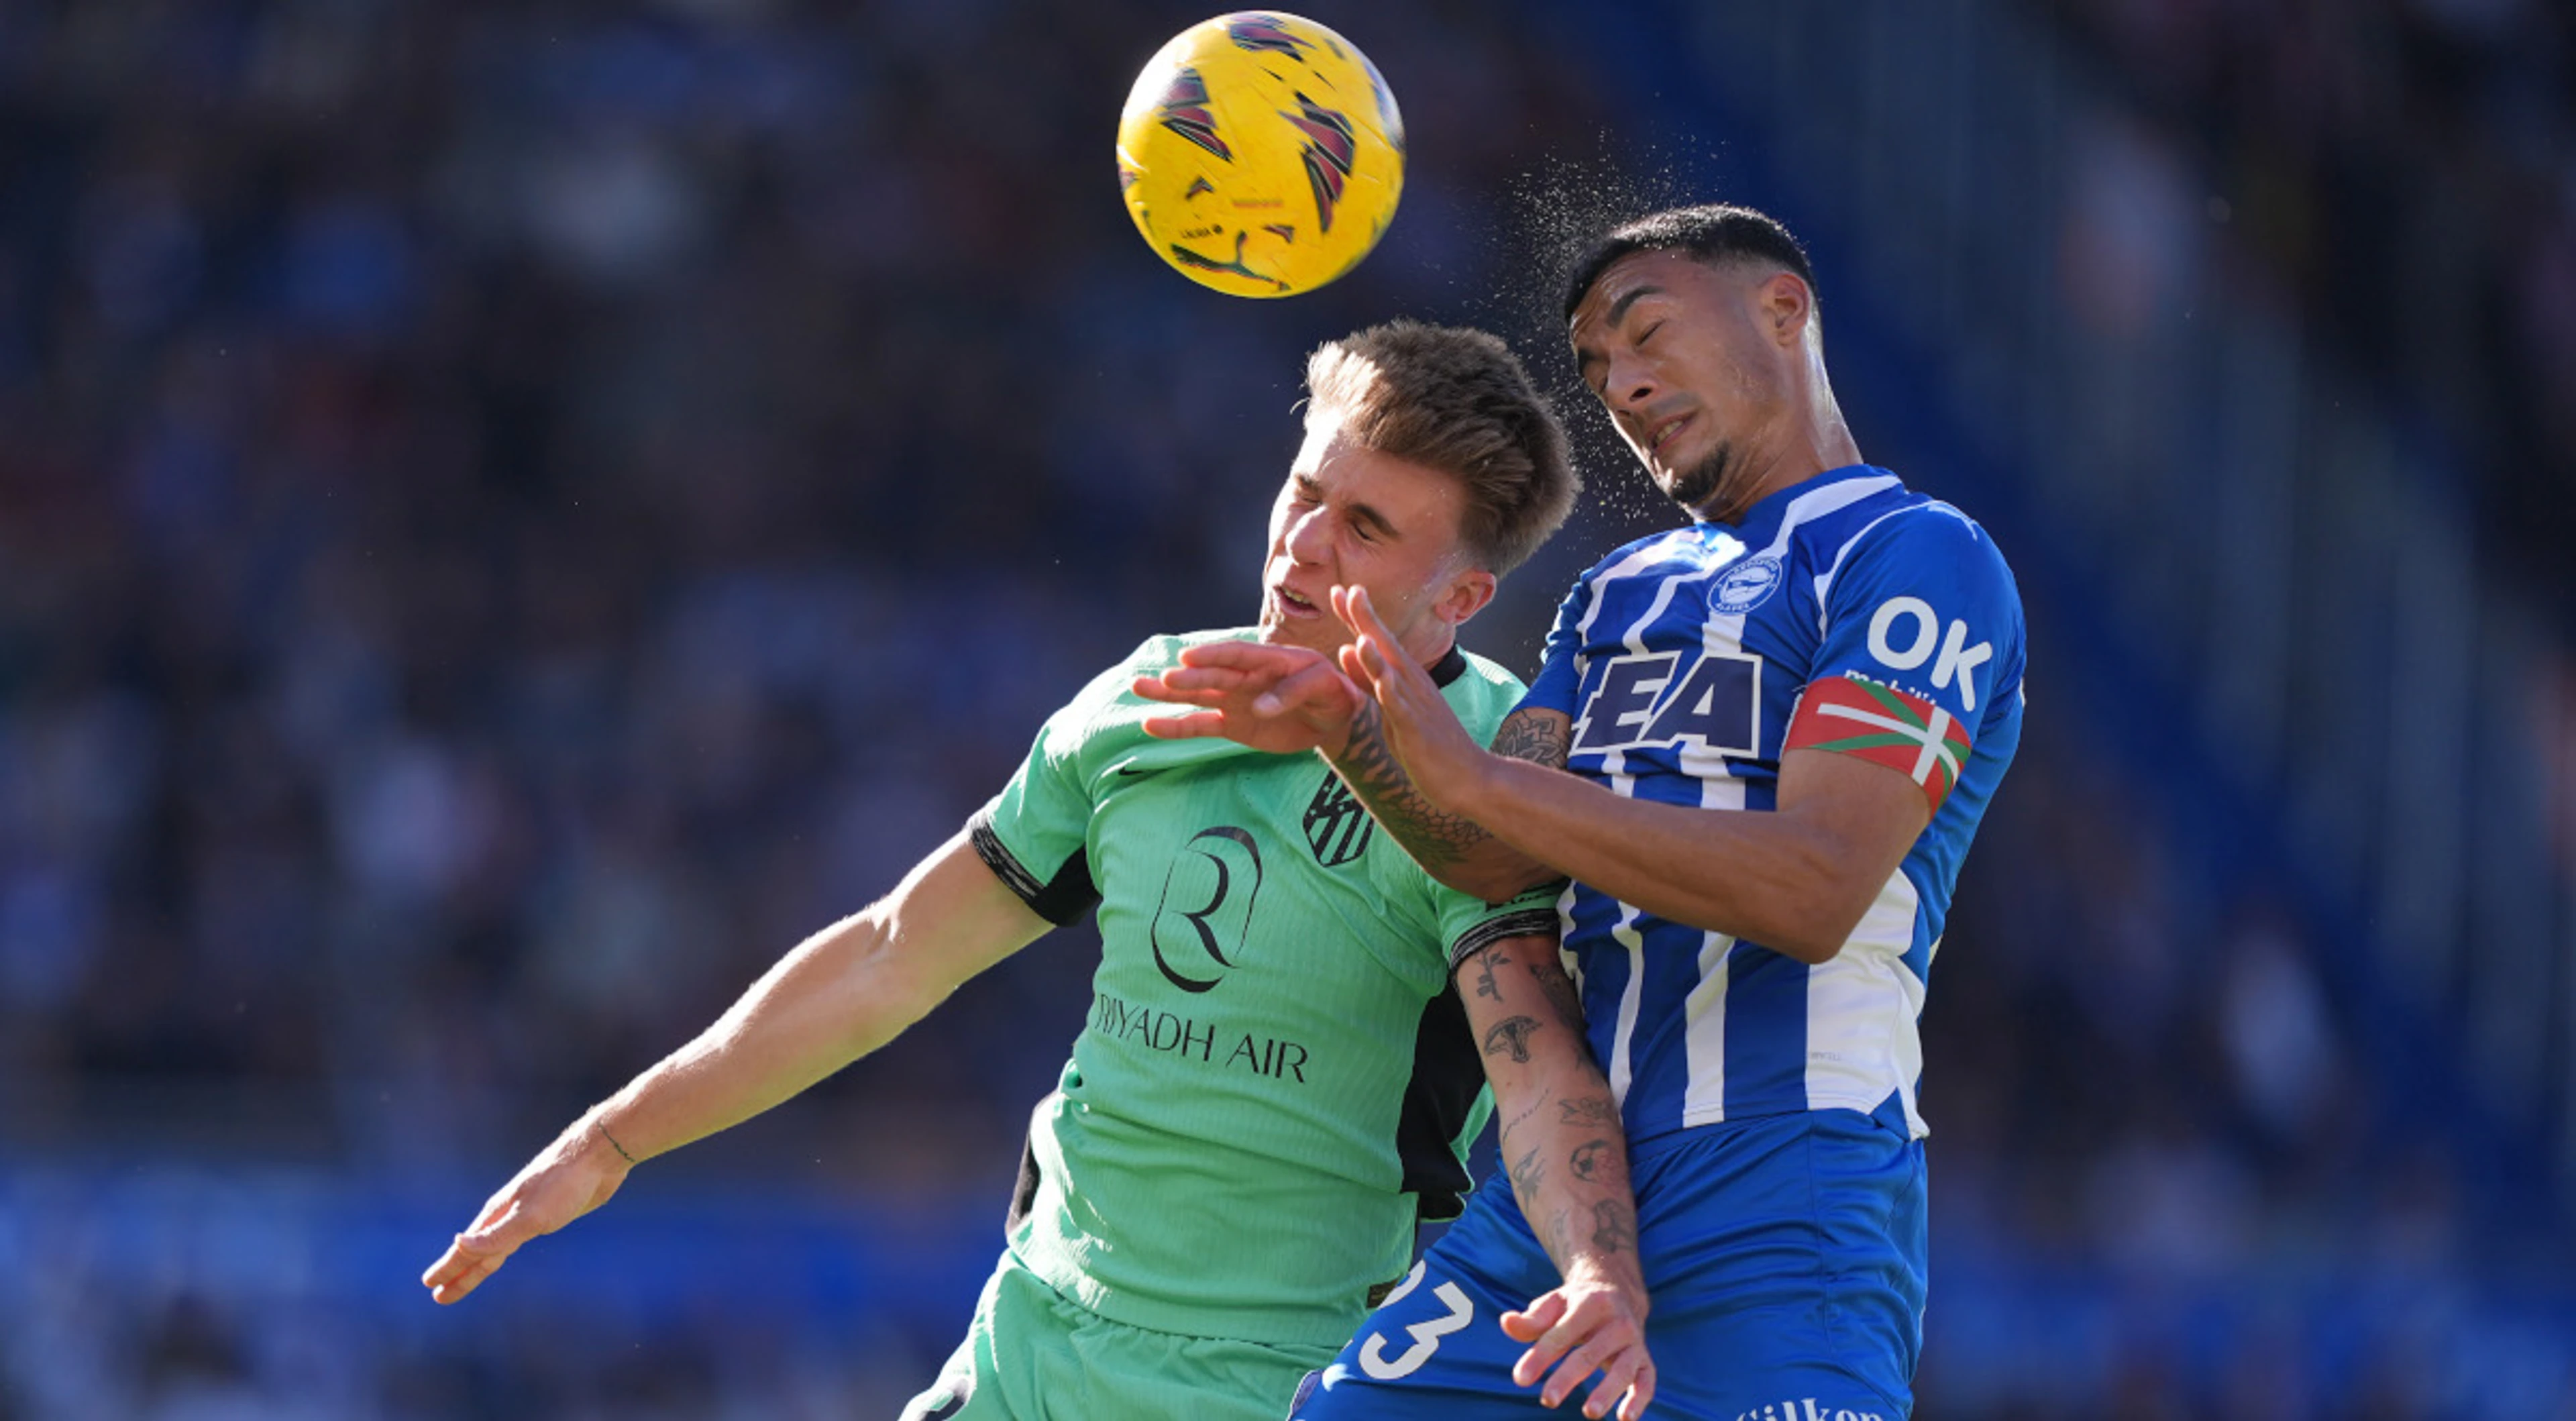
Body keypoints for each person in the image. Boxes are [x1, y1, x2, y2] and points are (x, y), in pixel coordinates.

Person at [419, 321, 1660, 1421]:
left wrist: (1599, 1271)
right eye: (1304, 491)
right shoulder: (1148, 698)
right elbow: (894, 953)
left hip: (1284, 1375)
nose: (1302, 544)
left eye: (1368, 527)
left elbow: (1541, 1061)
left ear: (1463, 594)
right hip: (1034, 1337)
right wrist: (617, 1136)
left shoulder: (1493, 781)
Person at [1136, 205, 2026, 1420]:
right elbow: (1496, 855)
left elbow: (1816, 888)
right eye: (1598, 368)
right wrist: (1342, 729)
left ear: (1784, 310)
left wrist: (1481, 776)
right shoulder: (1617, 593)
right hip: (1558, 1201)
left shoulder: (1917, 556)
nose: (1625, 383)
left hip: (1785, 1202)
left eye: (1648, 332)